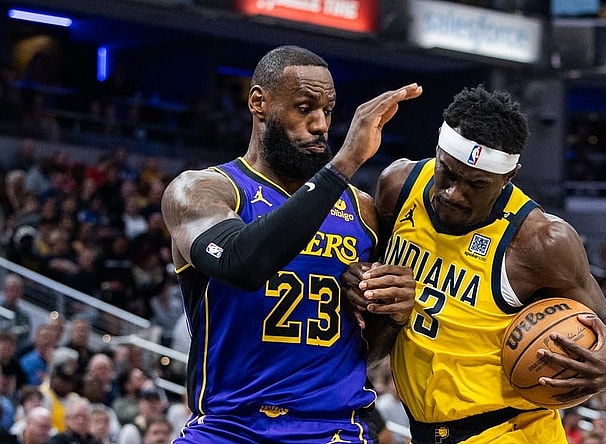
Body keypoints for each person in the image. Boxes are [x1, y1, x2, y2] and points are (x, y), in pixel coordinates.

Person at [343, 85, 606, 443]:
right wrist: (366, 288)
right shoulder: (398, 186)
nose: (454, 193)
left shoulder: (541, 241)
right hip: (426, 429)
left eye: (475, 184)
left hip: (511, 430)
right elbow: (375, 333)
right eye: (448, 173)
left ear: (507, 178)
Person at [160, 45, 420, 444]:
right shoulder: (205, 190)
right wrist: (345, 162)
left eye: (328, 112)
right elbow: (240, 262)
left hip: (332, 429)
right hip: (229, 427)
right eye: (304, 108)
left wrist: (395, 312)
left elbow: (363, 350)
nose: (320, 125)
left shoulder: (361, 210)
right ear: (259, 102)